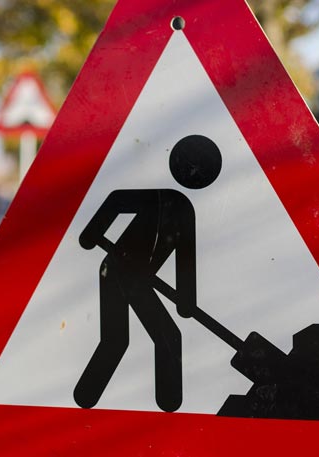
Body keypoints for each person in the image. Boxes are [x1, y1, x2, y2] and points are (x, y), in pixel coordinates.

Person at [73, 135, 222, 412]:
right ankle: (165, 405)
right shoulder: (160, 198)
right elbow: (116, 201)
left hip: (135, 276)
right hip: (117, 270)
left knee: (120, 340)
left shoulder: (183, 208)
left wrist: (186, 302)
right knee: (148, 337)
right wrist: (90, 234)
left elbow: (185, 259)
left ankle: (87, 397)